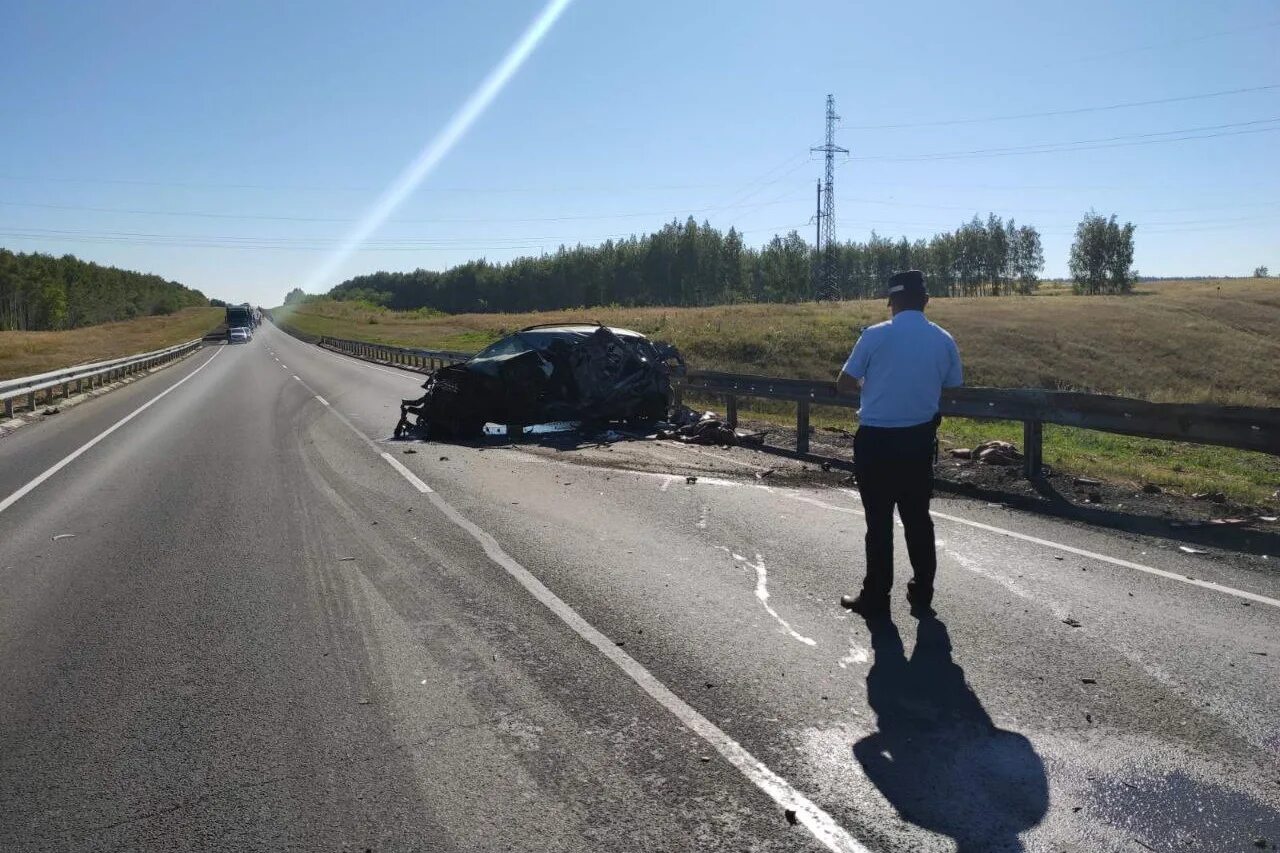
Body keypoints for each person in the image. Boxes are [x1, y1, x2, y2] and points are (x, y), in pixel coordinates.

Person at [835, 270, 963, 618]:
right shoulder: (943, 339)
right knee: (918, 519)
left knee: (879, 523)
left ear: (892, 302)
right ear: (925, 301)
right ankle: (922, 592)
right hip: (918, 441)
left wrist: (874, 388)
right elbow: (952, 387)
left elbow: (844, 383)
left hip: (876, 441)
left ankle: (875, 596)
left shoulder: (874, 335)